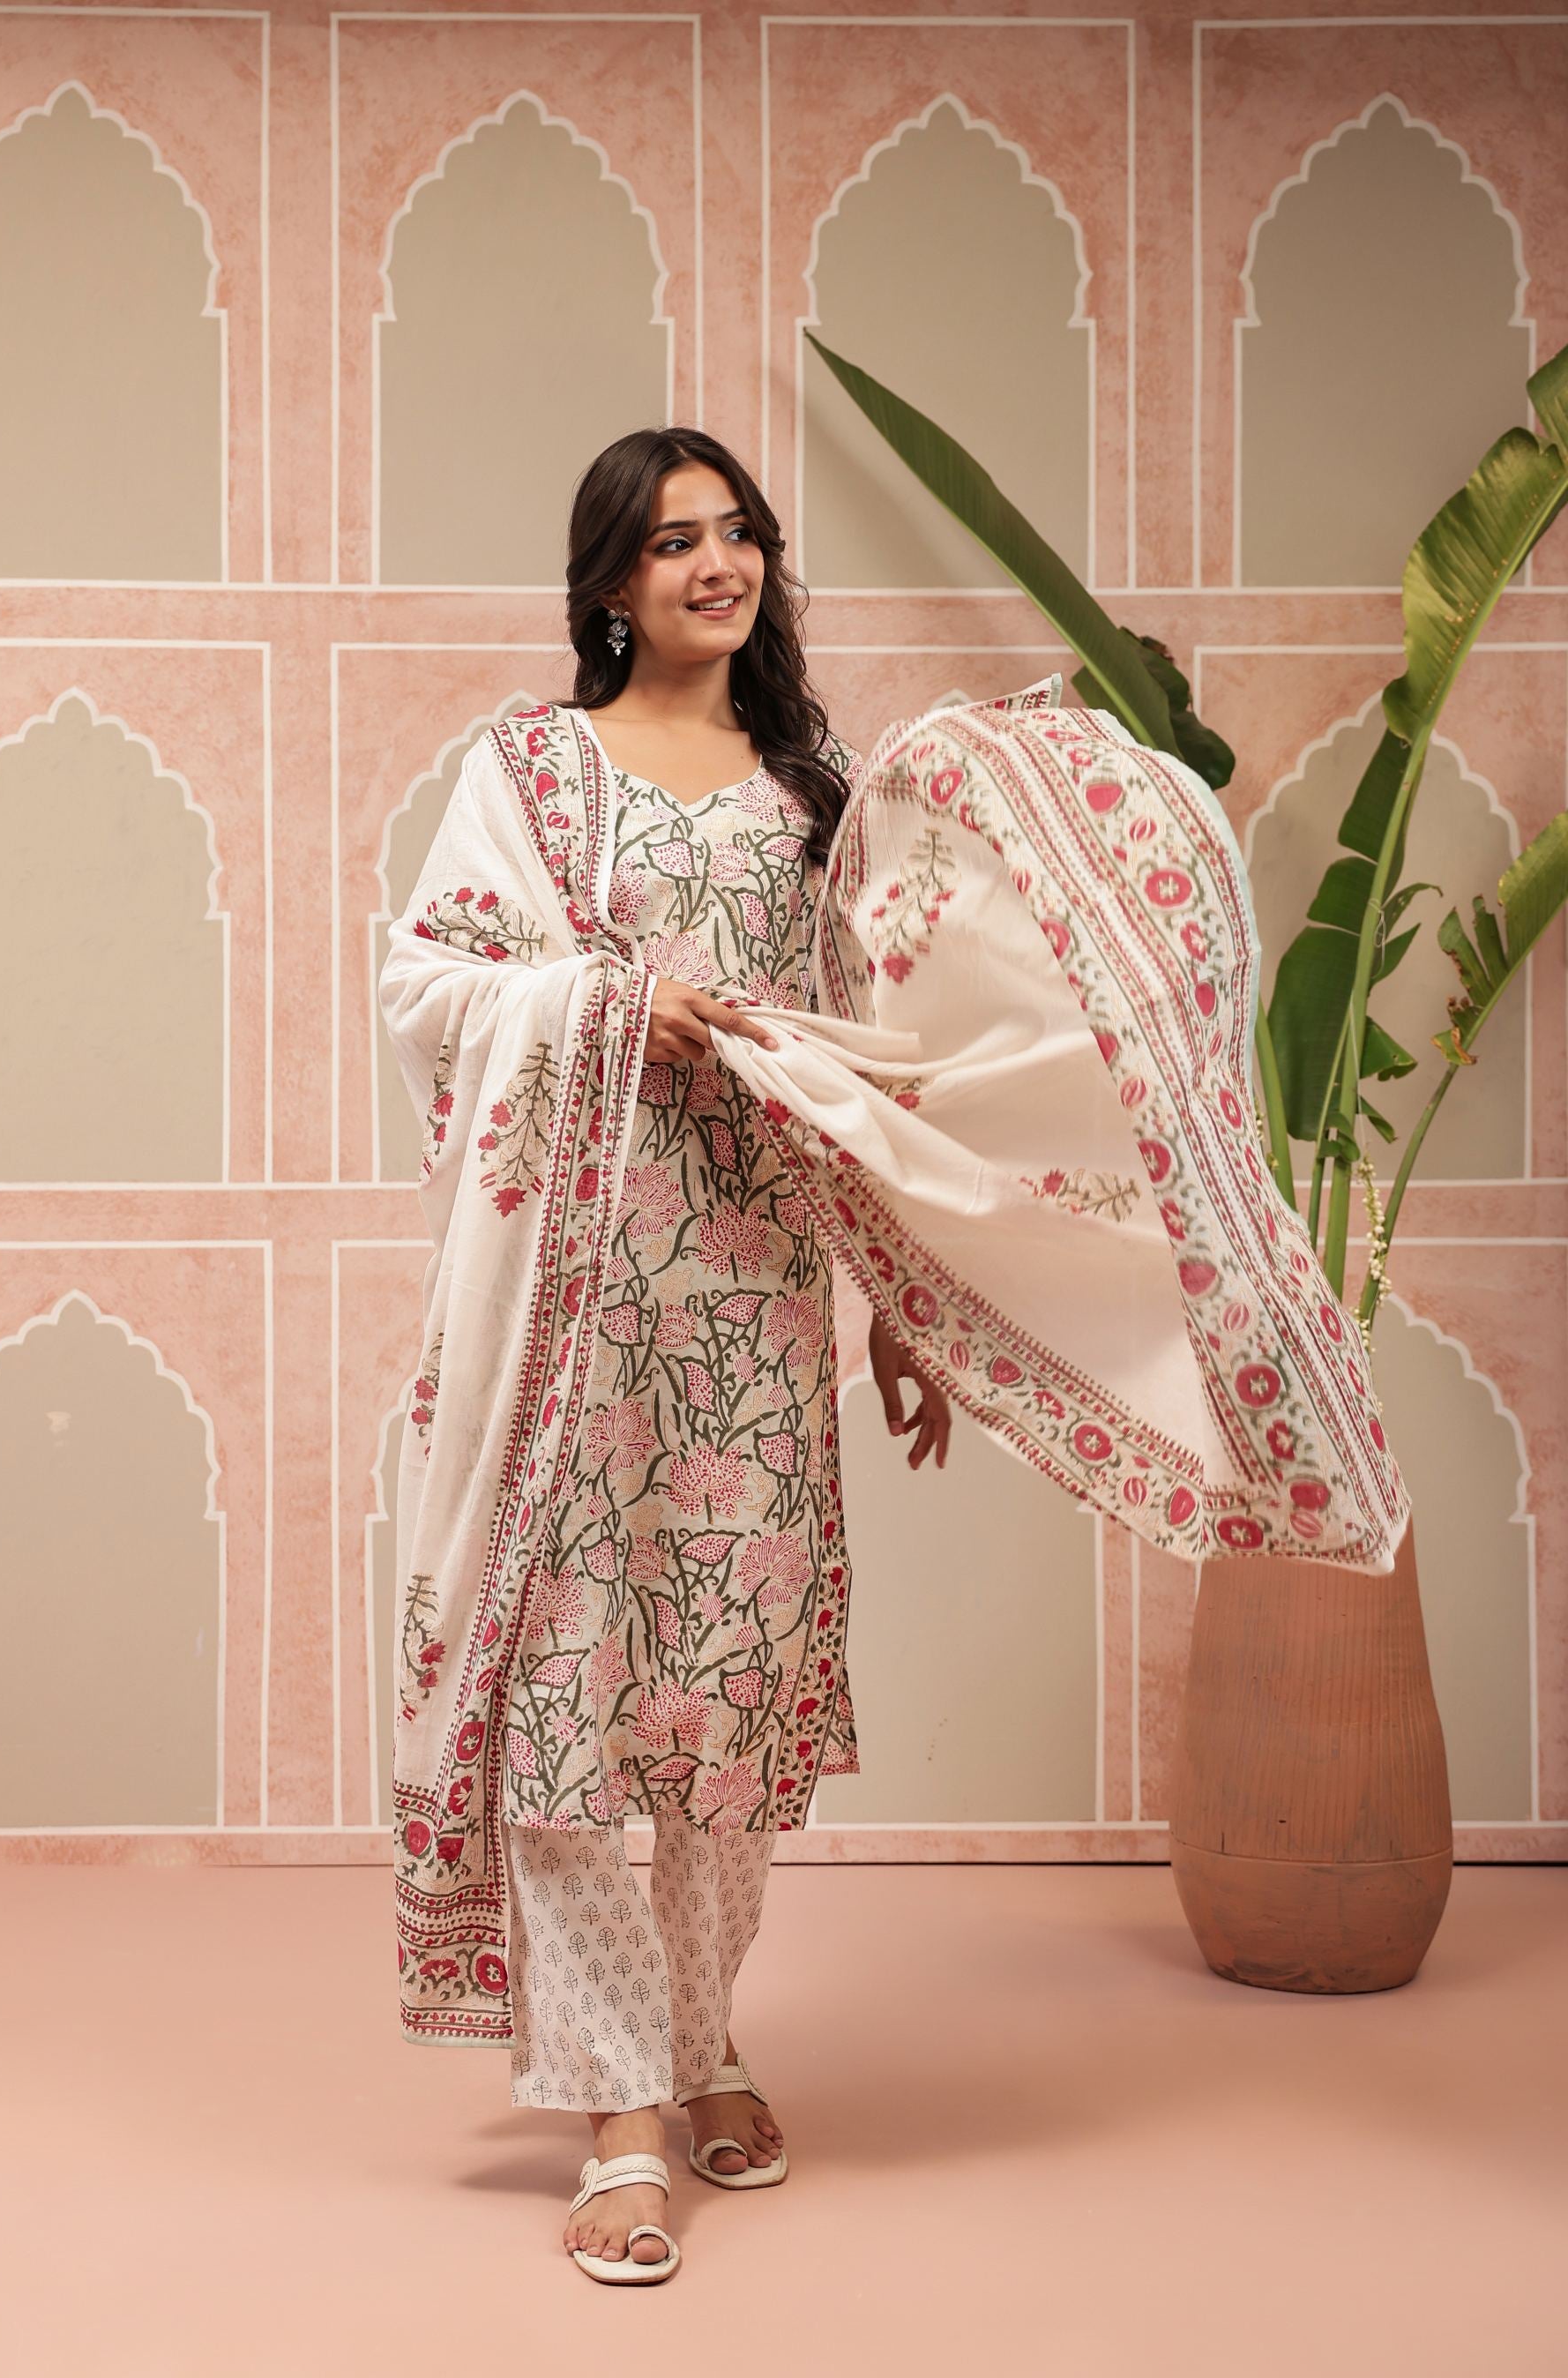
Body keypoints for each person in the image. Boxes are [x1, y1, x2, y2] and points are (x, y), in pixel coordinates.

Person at [378, 428, 1410, 2288]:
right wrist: (610, 998)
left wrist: (907, 1307)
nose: (717, 564)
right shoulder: (528, 774)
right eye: (672, 541)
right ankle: (615, 2111)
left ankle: (702, 2039)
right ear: (607, 582)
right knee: (571, 1697)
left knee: (728, 1698)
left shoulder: (812, 797)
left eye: (737, 533)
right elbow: (430, 985)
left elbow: (887, 1077)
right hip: (576, 1313)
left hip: (757, 1302)